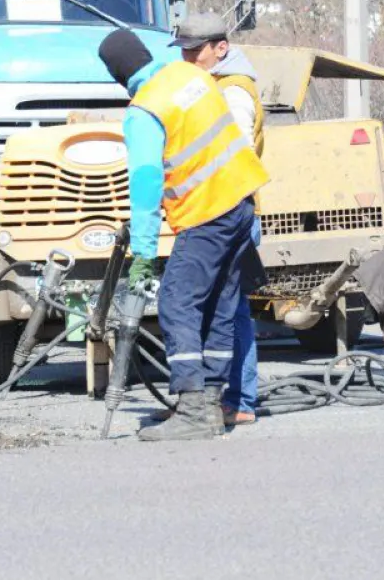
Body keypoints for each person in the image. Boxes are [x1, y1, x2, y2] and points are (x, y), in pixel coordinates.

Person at [98, 27, 268, 441]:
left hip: (207, 213)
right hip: (242, 204)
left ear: (118, 75)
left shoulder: (144, 111)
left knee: (177, 302)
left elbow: (145, 184)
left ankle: (192, 409)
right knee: (220, 306)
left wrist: (141, 252)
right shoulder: (190, 75)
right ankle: (211, 403)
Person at [170, 11, 265, 427]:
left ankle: (240, 400)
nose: (189, 59)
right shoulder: (211, 85)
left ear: (220, 48)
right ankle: (227, 399)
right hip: (219, 209)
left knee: (232, 309)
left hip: (228, 210)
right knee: (224, 306)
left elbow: (235, 153)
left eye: (196, 51)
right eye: (185, 51)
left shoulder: (233, 91)